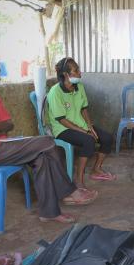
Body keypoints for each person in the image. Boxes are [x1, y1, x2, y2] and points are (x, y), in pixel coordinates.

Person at [0, 53, 96, 224]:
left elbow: (9, 124)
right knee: (46, 142)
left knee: (41, 157)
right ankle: (68, 191)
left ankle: (49, 212)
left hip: (1, 145)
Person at [47, 57, 115, 191]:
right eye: (76, 70)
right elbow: (62, 120)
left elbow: (84, 109)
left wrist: (89, 126)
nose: (80, 73)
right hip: (62, 129)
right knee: (89, 141)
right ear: (66, 74)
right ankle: (79, 180)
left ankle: (96, 169)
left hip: (80, 125)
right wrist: (85, 132)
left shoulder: (79, 87)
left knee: (107, 138)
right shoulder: (55, 92)